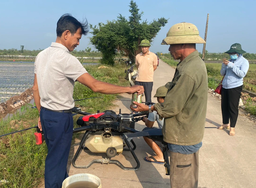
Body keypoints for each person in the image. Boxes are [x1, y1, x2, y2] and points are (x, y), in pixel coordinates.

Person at [32, 14, 144, 188]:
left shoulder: (41, 55)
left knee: (57, 157)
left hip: (46, 114)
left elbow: (35, 89)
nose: (78, 43)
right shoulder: (67, 59)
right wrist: (128, 89)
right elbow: (95, 85)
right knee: (55, 161)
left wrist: (40, 114)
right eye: (77, 38)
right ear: (66, 34)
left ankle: (61, 183)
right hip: (61, 118)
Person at [131, 22, 208, 188]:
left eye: (171, 45)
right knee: (189, 178)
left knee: (182, 182)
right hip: (189, 134)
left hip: (183, 137)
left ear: (182, 44)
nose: (169, 49)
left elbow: (171, 108)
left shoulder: (189, 71)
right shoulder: (191, 64)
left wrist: (149, 108)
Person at [218, 43, 249, 136]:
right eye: (231, 53)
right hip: (225, 86)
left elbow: (242, 74)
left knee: (233, 107)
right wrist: (224, 66)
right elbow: (222, 73)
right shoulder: (230, 61)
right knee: (224, 106)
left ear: (238, 53)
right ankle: (225, 123)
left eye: (234, 53)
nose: (232, 54)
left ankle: (232, 127)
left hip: (235, 86)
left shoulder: (244, 62)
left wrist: (232, 66)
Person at [142, 85, 167, 163]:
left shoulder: (155, 109)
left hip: (169, 136)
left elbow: (149, 125)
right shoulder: (177, 106)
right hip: (182, 138)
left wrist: (145, 119)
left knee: (145, 132)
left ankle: (160, 156)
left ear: (159, 98)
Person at [135, 39, 158, 103]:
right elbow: (137, 66)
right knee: (137, 97)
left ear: (148, 47)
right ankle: (136, 111)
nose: (144, 48)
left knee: (148, 99)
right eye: (142, 47)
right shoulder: (138, 56)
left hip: (148, 80)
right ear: (141, 47)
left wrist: (148, 72)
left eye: (145, 47)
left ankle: (148, 112)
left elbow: (155, 66)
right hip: (138, 80)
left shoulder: (153, 56)